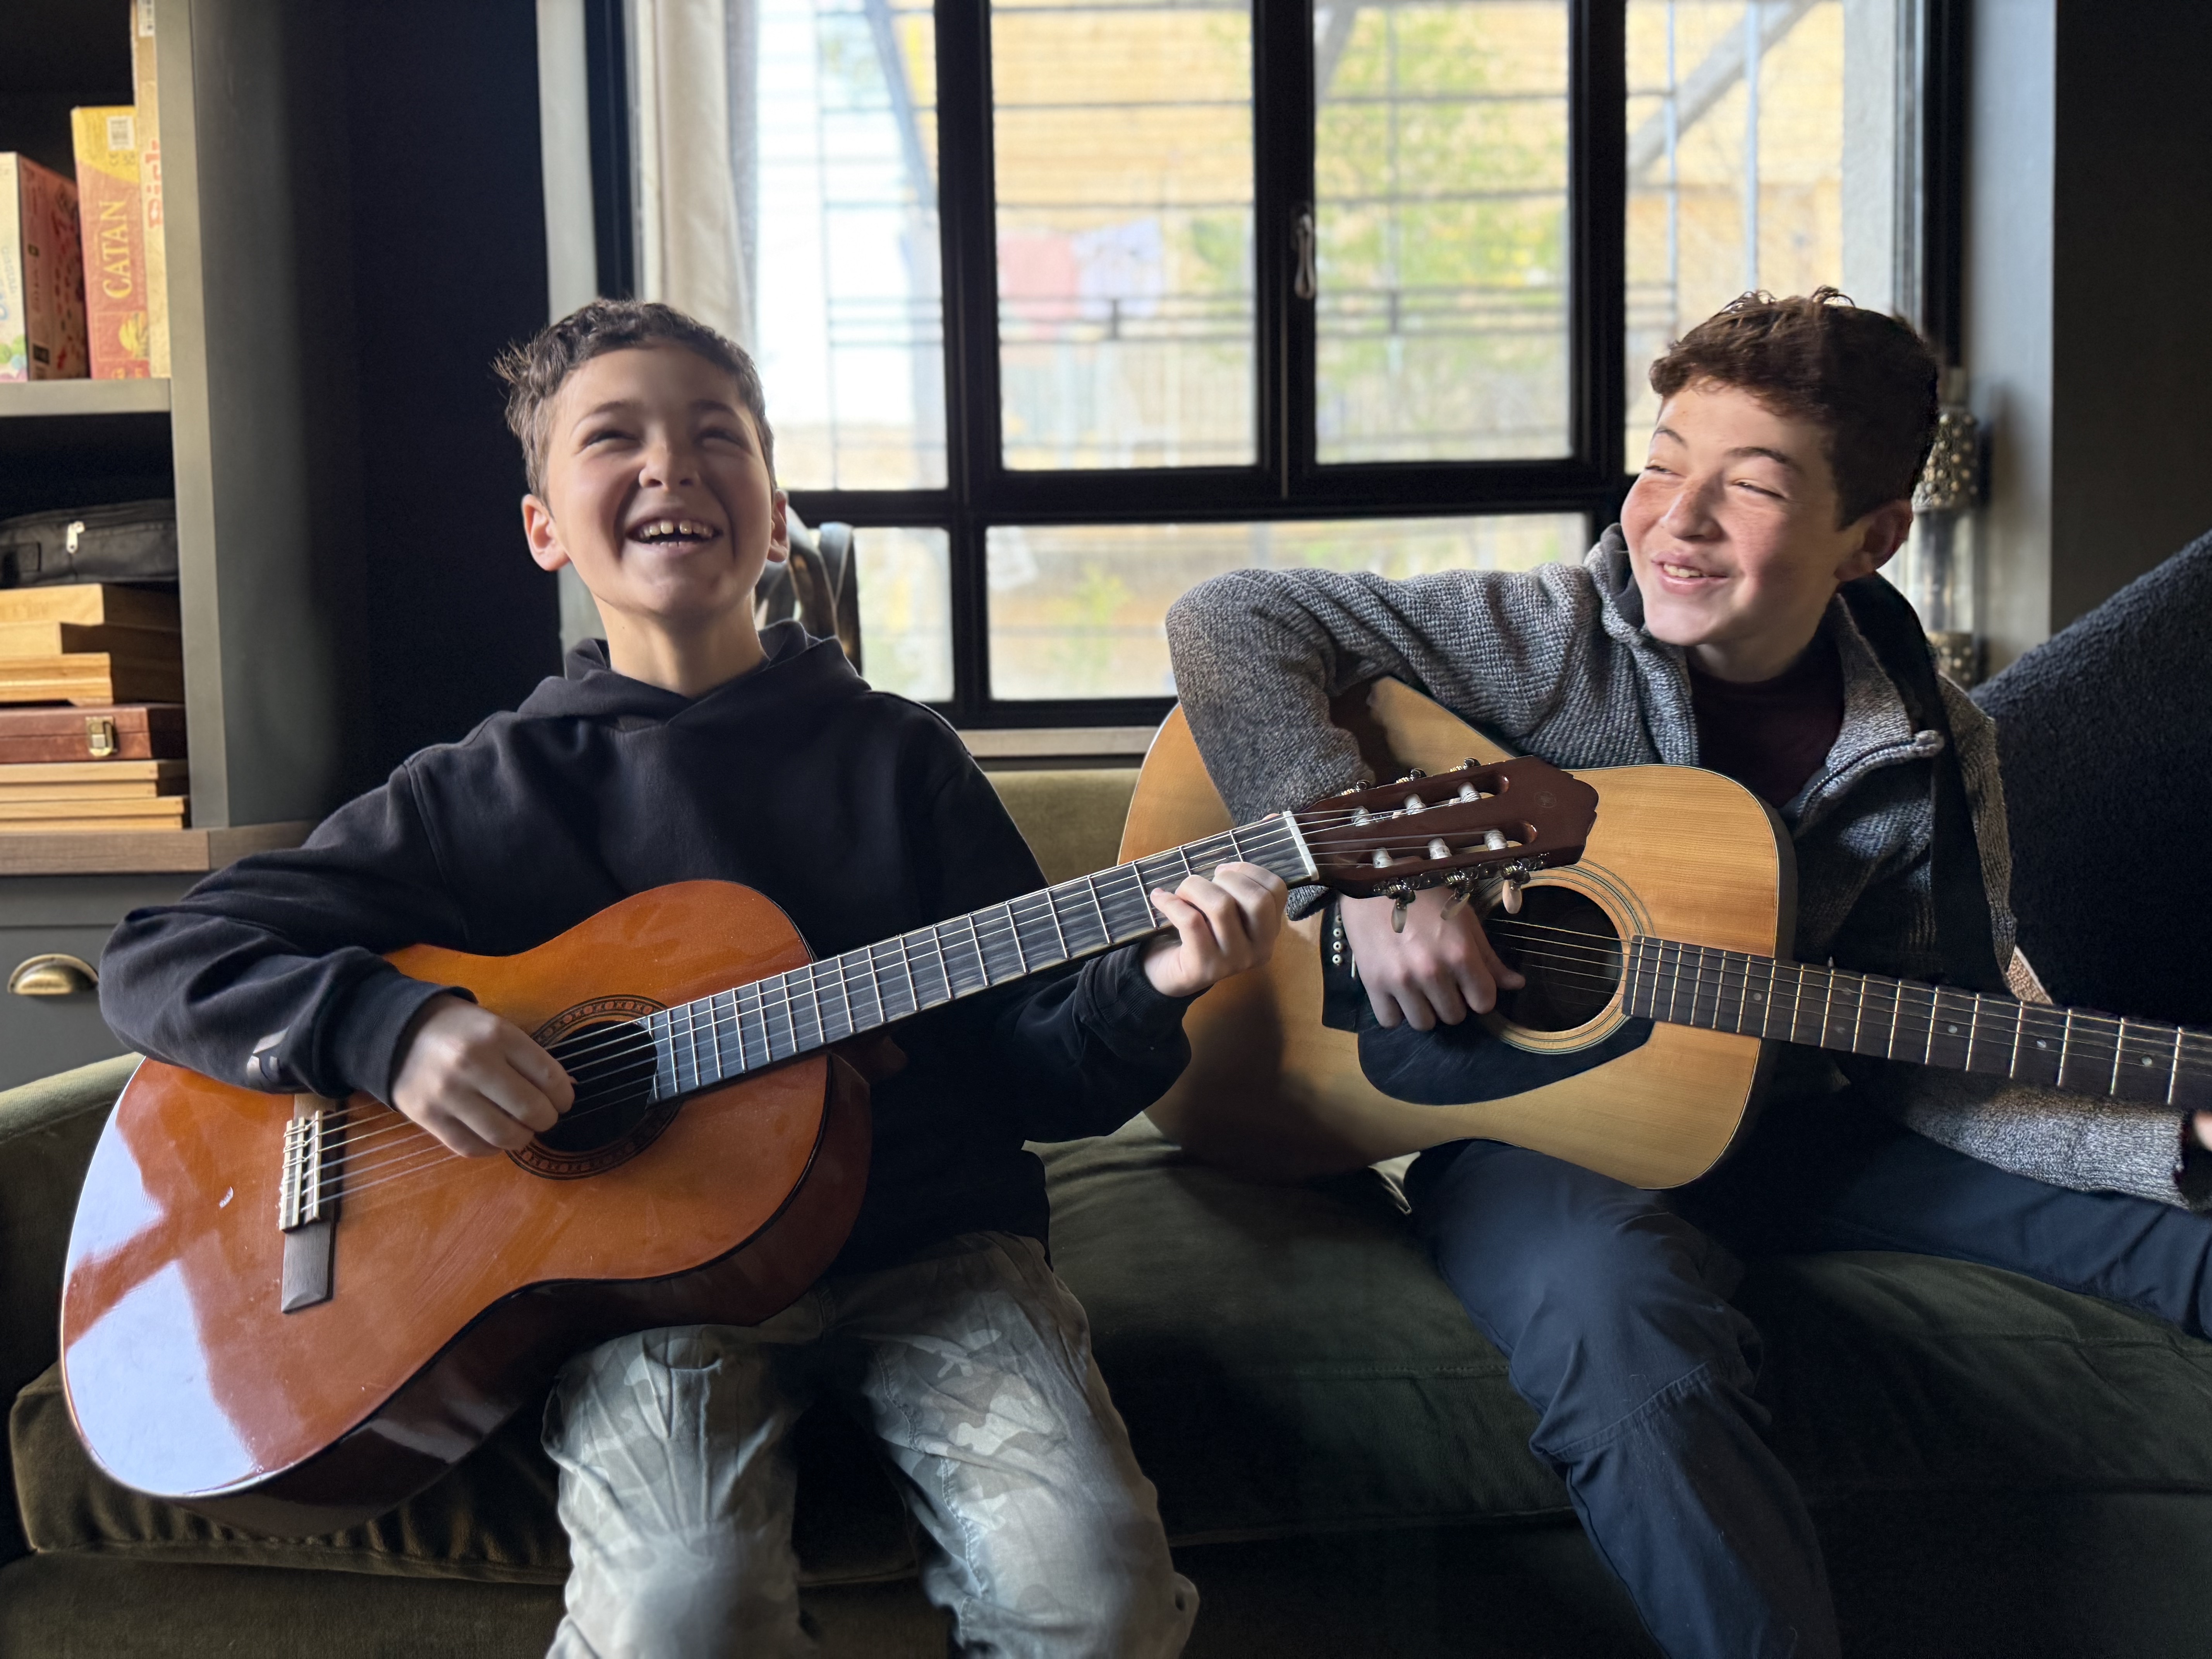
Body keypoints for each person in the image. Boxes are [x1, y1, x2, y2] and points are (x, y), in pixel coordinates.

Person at [99, 299, 1289, 1659]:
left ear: (774, 513)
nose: (671, 465)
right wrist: (392, 1028)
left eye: (717, 436)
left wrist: (1152, 987)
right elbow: (160, 956)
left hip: (933, 1256)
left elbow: (1035, 1068)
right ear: (547, 524)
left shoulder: (900, 758)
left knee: (1094, 1586)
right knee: (679, 1612)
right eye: (616, 438)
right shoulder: (478, 793)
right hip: (636, 1292)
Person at [1163, 289, 2212, 1659]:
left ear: (1871, 538)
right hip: (1544, 1134)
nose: (1676, 516)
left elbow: (1936, 1056)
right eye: (1662, 461)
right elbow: (1231, 616)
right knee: (1629, 1346)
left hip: (1803, 1121)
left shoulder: (1936, 754)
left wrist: (2165, 1130)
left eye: (1753, 485)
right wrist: (1382, 876)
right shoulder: (1546, 638)